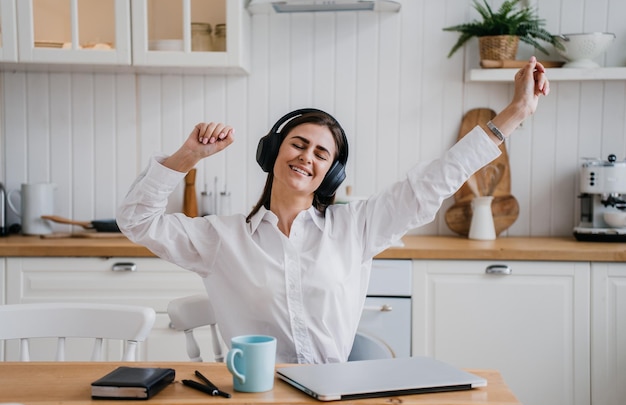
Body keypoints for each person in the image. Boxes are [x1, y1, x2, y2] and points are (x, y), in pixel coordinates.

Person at [117, 57, 549, 364]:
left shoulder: (356, 227)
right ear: (272, 152)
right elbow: (137, 221)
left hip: (333, 398)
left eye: (322, 153)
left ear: (331, 173)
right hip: (255, 399)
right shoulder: (221, 238)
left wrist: (514, 113)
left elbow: (434, 181)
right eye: (298, 144)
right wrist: (186, 156)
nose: (307, 157)